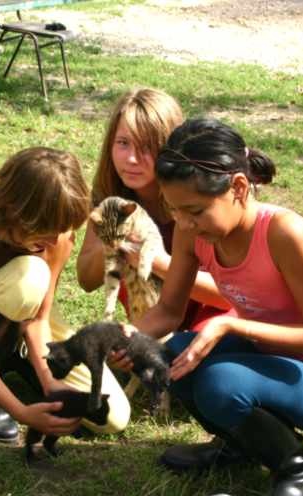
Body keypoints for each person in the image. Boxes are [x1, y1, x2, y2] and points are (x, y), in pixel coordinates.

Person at [129, 118, 303, 496]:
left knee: (221, 382)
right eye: (175, 210)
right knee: (173, 356)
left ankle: (296, 468)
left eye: (195, 211)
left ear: (238, 188)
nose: (183, 224)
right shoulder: (194, 231)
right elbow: (169, 311)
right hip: (267, 356)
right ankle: (239, 446)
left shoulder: (287, 234)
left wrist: (229, 323)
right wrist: (119, 338)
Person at [0, 147, 131, 443]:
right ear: (16, 211)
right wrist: (21, 412)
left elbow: (39, 319)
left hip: (27, 311)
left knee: (112, 416)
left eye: (62, 230)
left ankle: (18, 355)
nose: (55, 240)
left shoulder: (58, 233)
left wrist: (50, 382)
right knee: (30, 275)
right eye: (46, 231)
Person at [77, 88, 231, 333]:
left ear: (170, 149)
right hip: (153, 324)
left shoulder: (198, 200)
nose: (132, 159)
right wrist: (112, 240)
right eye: (123, 143)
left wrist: (153, 259)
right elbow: (86, 280)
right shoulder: (111, 199)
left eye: (146, 147)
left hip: (213, 321)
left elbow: (230, 295)